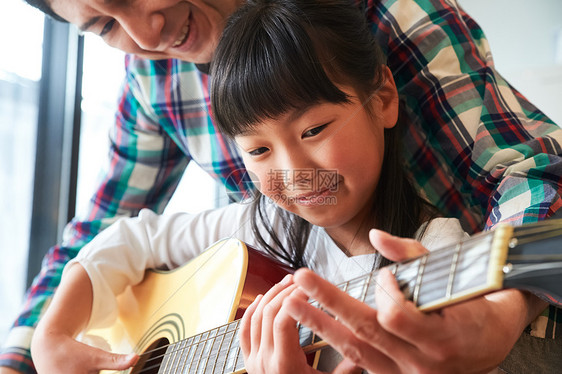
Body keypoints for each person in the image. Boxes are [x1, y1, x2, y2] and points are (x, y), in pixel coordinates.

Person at [3, 0, 562, 372]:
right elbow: (110, 230)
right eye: (103, 26)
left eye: (314, 129)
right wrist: (34, 346)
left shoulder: (384, 15)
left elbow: (536, 182)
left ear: (382, 97)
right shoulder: (257, 211)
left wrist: (501, 307)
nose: (148, 31)